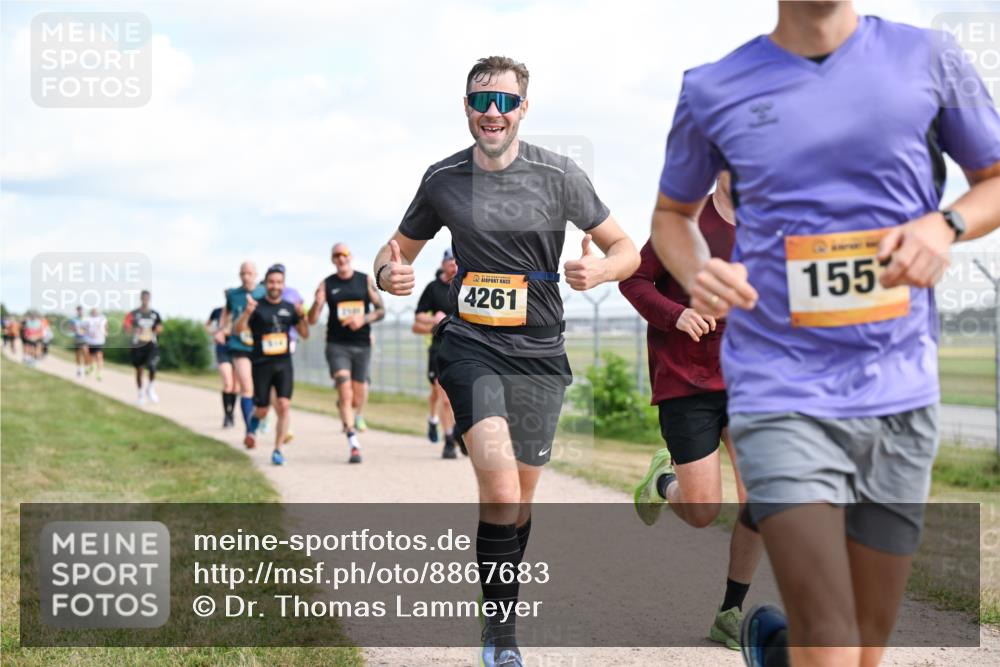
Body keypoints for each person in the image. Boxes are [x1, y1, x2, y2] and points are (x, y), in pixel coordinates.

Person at [651, 3, 1000, 666]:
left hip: (899, 390)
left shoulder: (930, 58)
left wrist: (942, 226)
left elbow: (994, 178)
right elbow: (672, 214)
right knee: (834, 639)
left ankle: (778, 647)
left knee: (863, 643)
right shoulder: (713, 87)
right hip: (777, 386)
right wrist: (699, 269)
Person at [374, 56, 639, 667]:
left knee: (519, 499)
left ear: (523, 109)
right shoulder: (442, 179)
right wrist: (389, 275)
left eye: (504, 103)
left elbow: (626, 248)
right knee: (496, 483)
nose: (492, 113)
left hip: (542, 353)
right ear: (466, 107)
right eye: (480, 101)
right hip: (470, 345)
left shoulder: (560, 174)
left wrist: (599, 267)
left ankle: (501, 604)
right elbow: (390, 256)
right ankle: (500, 633)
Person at [622, 174, 763, 651]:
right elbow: (634, 280)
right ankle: (664, 481)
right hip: (688, 380)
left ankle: (731, 611)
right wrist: (675, 315)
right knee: (704, 511)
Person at [308, 244, 385, 464]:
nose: (341, 259)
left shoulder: (365, 281)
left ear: (350, 257)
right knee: (345, 389)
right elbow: (312, 320)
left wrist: (363, 319)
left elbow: (381, 311)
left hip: (362, 345)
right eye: (336, 256)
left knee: (358, 395)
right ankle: (353, 442)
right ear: (333, 260)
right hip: (336, 345)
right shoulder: (327, 284)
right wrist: (317, 303)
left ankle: (351, 413)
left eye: (344, 255)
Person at [235, 265, 309, 465]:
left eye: (279, 282)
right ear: (266, 284)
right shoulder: (256, 306)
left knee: (284, 406)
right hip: (261, 364)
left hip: (284, 364)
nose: (275, 286)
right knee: (263, 410)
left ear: (283, 285)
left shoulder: (289, 307)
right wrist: (247, 313)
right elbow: (238, 330)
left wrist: (302, 316)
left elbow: (304, 334)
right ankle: (253, 422)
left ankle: (277, 450)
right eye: (271, 282)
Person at [413, 248, 463, 458]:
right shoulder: (433, 288)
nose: (453, 264)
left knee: (460, 396)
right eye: (450, 260)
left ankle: (461, 432)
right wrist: (435, 320)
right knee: (443, 397)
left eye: (456, 260)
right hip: (439, 348)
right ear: (443, 264)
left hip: (466, 347)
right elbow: (418, 317)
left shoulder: (468, 284)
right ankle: (449, 440)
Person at [221, 262, 266, 440]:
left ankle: (263, 417)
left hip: (260, 347)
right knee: (246, 386)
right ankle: (249, 431)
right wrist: (222, 329)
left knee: (262, 389)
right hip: (240, 345)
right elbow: (227, 313)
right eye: (242, 273)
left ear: (255, 274)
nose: (246, 276)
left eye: (249, 273)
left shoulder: (263, 292)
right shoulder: (233, 295)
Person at [123, 290, 163, 404]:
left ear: (150, 299)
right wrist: (135, 329)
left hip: (151, 344)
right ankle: (140, 394)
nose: (145, 300)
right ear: (141, 299)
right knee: (139, 370)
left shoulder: (155, 314)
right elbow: (126, 328)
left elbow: (160, 328)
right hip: (138, 344)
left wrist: (156, 329)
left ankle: (150, 388)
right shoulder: (133, 313)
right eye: (143, 298)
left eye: (147, 298)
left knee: (152, 366)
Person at [207, 305, 236, 427]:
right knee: (228, 383)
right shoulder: (217, 311)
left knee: (235, 387)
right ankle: (226, 415)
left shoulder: (239, 309)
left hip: (238, 349)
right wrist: (215, 333)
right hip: (223, 349)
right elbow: (207, 325)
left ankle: (231, 413)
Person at [83, 307, 107, 380]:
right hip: (90, 341)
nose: (94, 313)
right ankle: (91, 366)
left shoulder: (102, 318)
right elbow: (84, 328)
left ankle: (99, 373)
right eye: (93, 311)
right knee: (90, 356)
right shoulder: (87, 319)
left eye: (96, 311)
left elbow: (105, 326)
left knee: (99, 356)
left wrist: (105, 332)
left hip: (99, 341)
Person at [69, 306, 89, 377]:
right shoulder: (73, 319)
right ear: (77, 311)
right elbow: (70, 329)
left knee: (85, 352)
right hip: (77, 338)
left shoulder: (87, 319)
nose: (80, 312)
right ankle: (79, 369)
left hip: (85, 339)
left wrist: (85, 330)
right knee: (78, 355)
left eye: (81, 310)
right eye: (79, 311)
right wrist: (74, 329)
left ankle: (86, 368)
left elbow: (90, 328)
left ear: (83, 311)